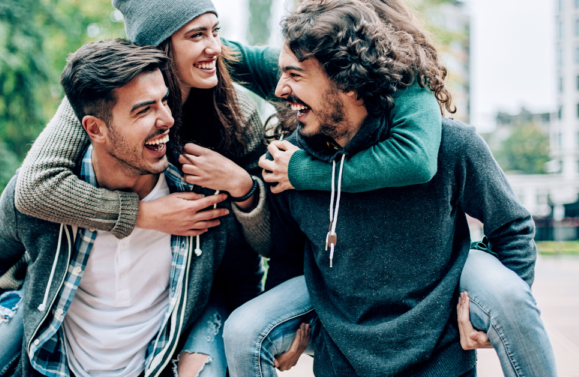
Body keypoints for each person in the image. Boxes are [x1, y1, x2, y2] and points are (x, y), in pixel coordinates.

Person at [222, 1, 557, 376]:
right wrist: (290, 332)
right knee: (243, 329)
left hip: (439, 358)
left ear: (349, 82)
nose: (280, 88)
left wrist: (489, 321)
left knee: (509, 293)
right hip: (342, 360)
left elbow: (512, 229)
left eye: (295, 75)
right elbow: (287, 251)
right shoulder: (291, 160)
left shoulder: (450, 145)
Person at [0, 40, 262, 377]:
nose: (168, 119)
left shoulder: (201, 195)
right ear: (95, 129)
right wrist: (0, 329)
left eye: (165, 101)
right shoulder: (45, 197)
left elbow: (241, 278)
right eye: (144, 110)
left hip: (157, 368)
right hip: (54, 367)